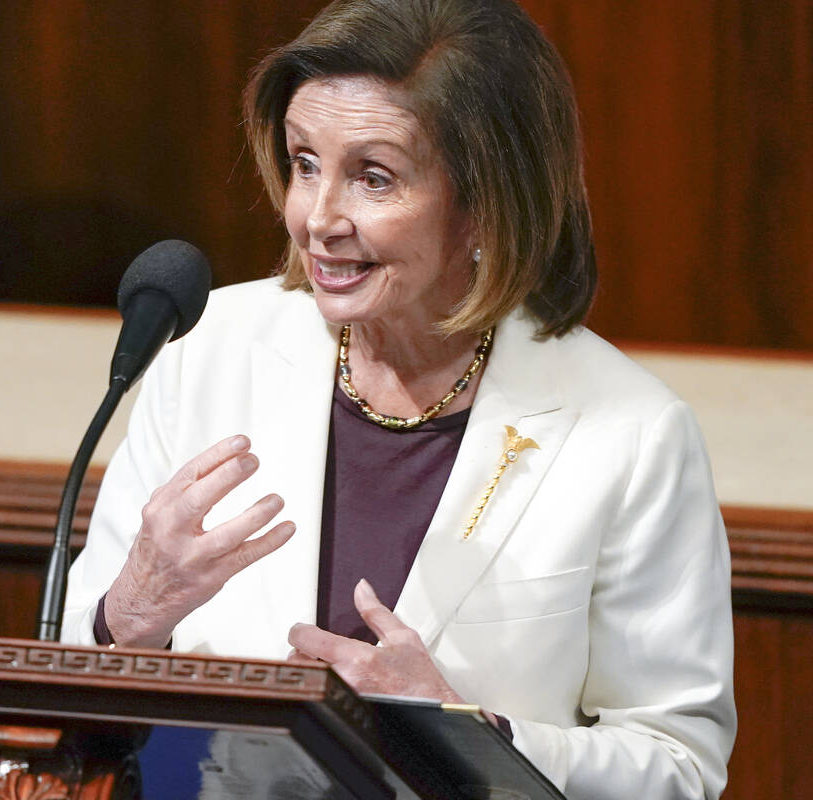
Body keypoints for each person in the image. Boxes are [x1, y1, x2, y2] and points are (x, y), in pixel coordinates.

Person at [62, 0, 736, 797]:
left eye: (373, 177)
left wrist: (462, 732)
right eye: (305, 162)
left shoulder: (631, 435)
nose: (317, 218)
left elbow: (678, 765)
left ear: (486, 202)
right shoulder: (206, 351)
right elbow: (69, 679)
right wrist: (129, 617)